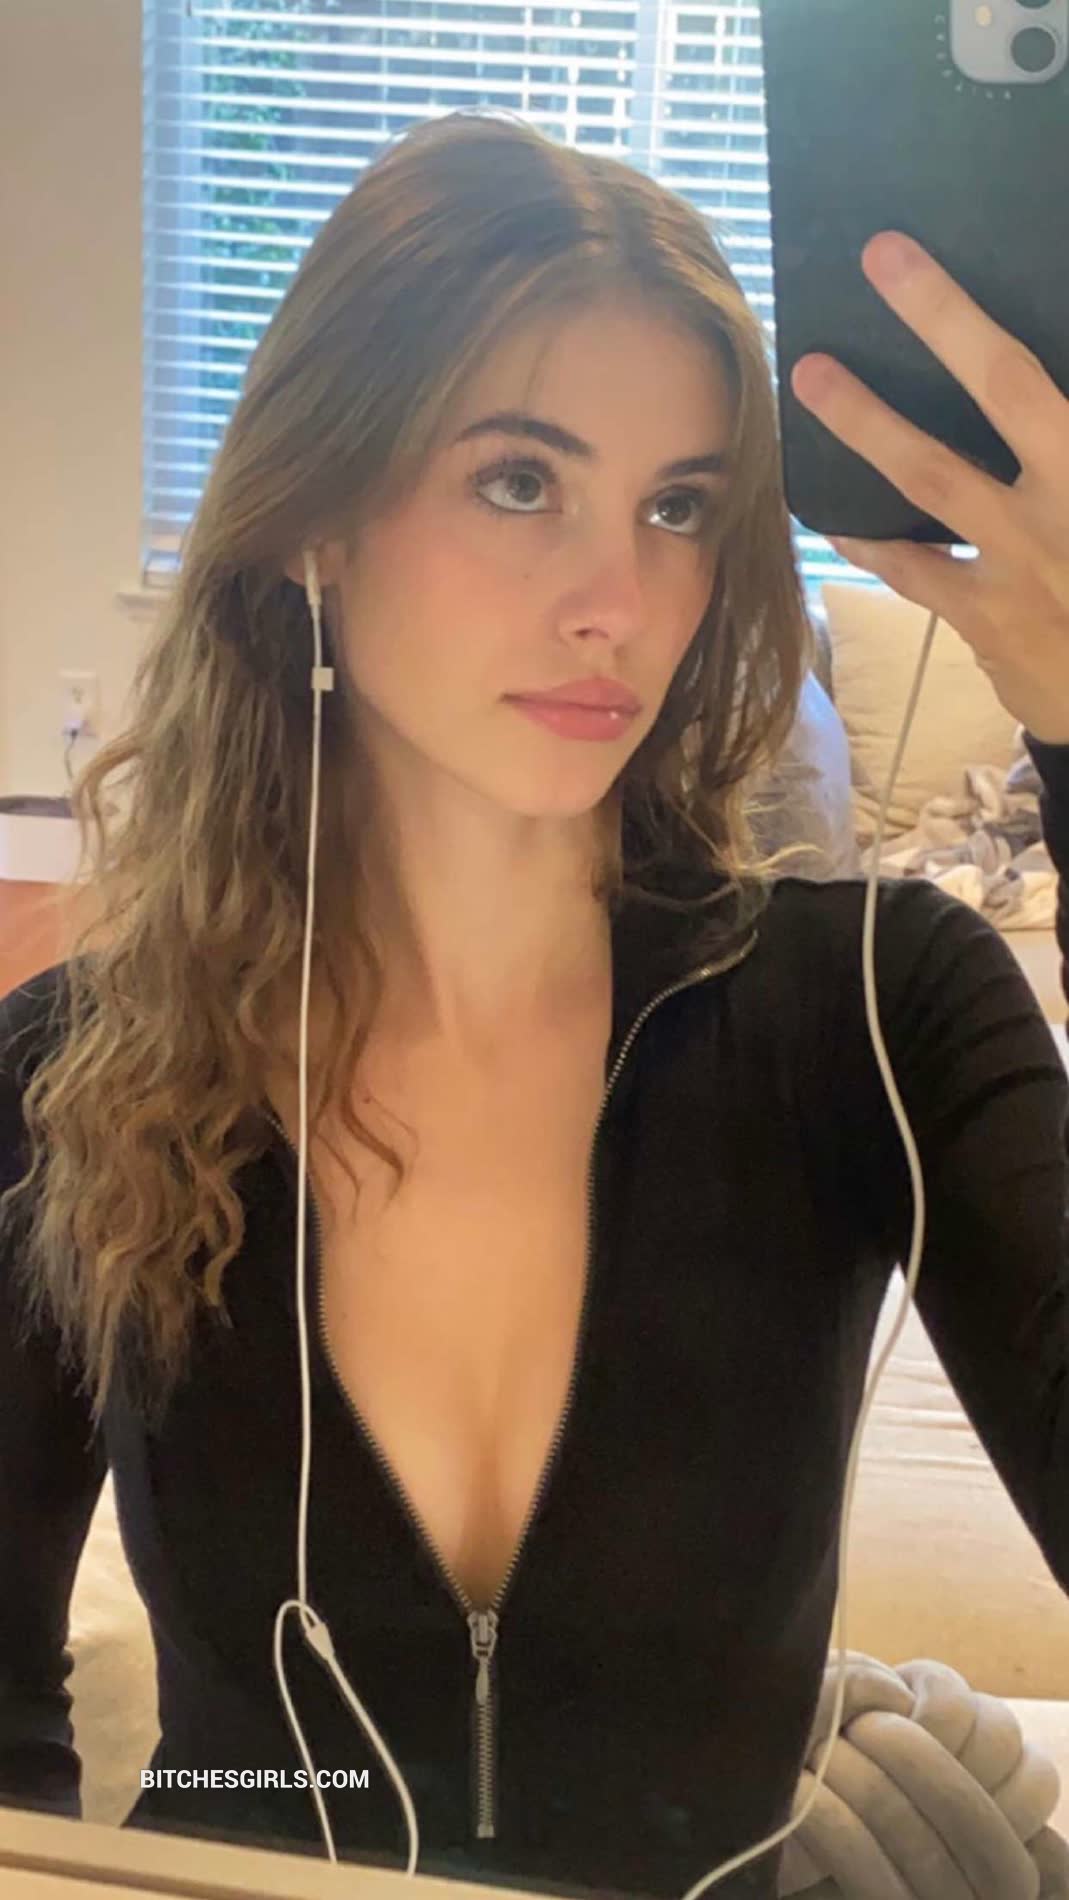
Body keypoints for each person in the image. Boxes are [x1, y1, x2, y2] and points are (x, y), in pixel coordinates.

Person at [0, 110, 1067, 1900]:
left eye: (677, 507)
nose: (617, 604)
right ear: (314, 521)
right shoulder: (69, 1076)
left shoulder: (878, 1013)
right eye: (518, 481)